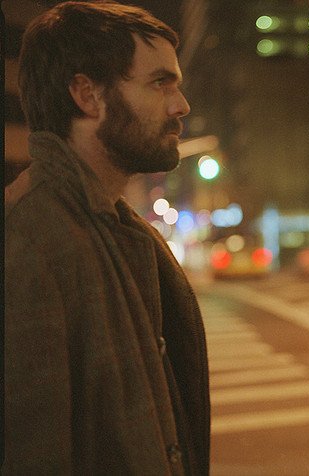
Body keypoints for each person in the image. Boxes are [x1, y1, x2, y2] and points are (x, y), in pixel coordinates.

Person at [4, 2, 210, 474]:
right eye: (160, 83)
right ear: (88, 95)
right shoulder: (27, 240)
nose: (181, 105)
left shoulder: (116, 228)